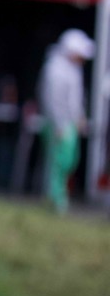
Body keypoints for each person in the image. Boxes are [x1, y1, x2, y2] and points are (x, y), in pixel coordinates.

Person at [37, 28, 95, 214]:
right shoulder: (55, 68)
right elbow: (53, 100)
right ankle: (54, 198)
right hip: (59, 124)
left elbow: (75, 98)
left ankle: (59, 195)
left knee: (69, 161)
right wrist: (59, 124)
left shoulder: (73, 69)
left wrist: (80, 117)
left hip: (71, 123)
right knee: (58, 162)